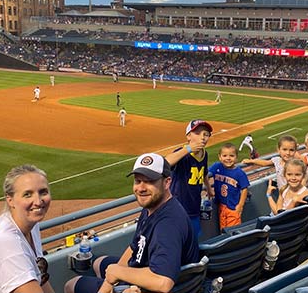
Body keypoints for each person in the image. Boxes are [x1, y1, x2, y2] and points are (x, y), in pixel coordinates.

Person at [64, 153, 199, 293]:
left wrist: (118, 273)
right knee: (99, 263)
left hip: (147, 286)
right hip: (142, 268)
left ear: (167, 182)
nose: (141, 188)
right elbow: (134, 247)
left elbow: (163, 282)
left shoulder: (167, 225)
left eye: (149, 181)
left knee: (71, 285)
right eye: (138, 181)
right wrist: (108, 283)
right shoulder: (151, 207)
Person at [0, 165, 55, 293]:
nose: (38, 201)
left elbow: (40, 277)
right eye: (27, 194)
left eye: (43, 192)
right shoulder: (6, 242)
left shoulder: (31, 224)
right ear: (10, 200)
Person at [166, 119, 214, 238]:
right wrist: (188, 149)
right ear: (188, 136)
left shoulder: (204, 153)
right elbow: (166, 162)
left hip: (194, 208)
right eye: (197, 133)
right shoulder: (183, 154)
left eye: (206, 134)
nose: (203, 137)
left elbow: (204, 172)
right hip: (178, 209)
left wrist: (208, 188)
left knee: (193, 239)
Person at [209, 143, 250, 229]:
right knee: (223, 230)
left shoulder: (239, 173)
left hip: (233, 207)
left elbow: (244, 189)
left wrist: (240, 205)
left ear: (236, 157)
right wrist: (208, 188)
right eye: (224, 156)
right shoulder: (217, 166)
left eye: (231, 156)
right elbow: (204, 173)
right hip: (221, 206)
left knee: (233, 231)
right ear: (220, 157)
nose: (228, 158)